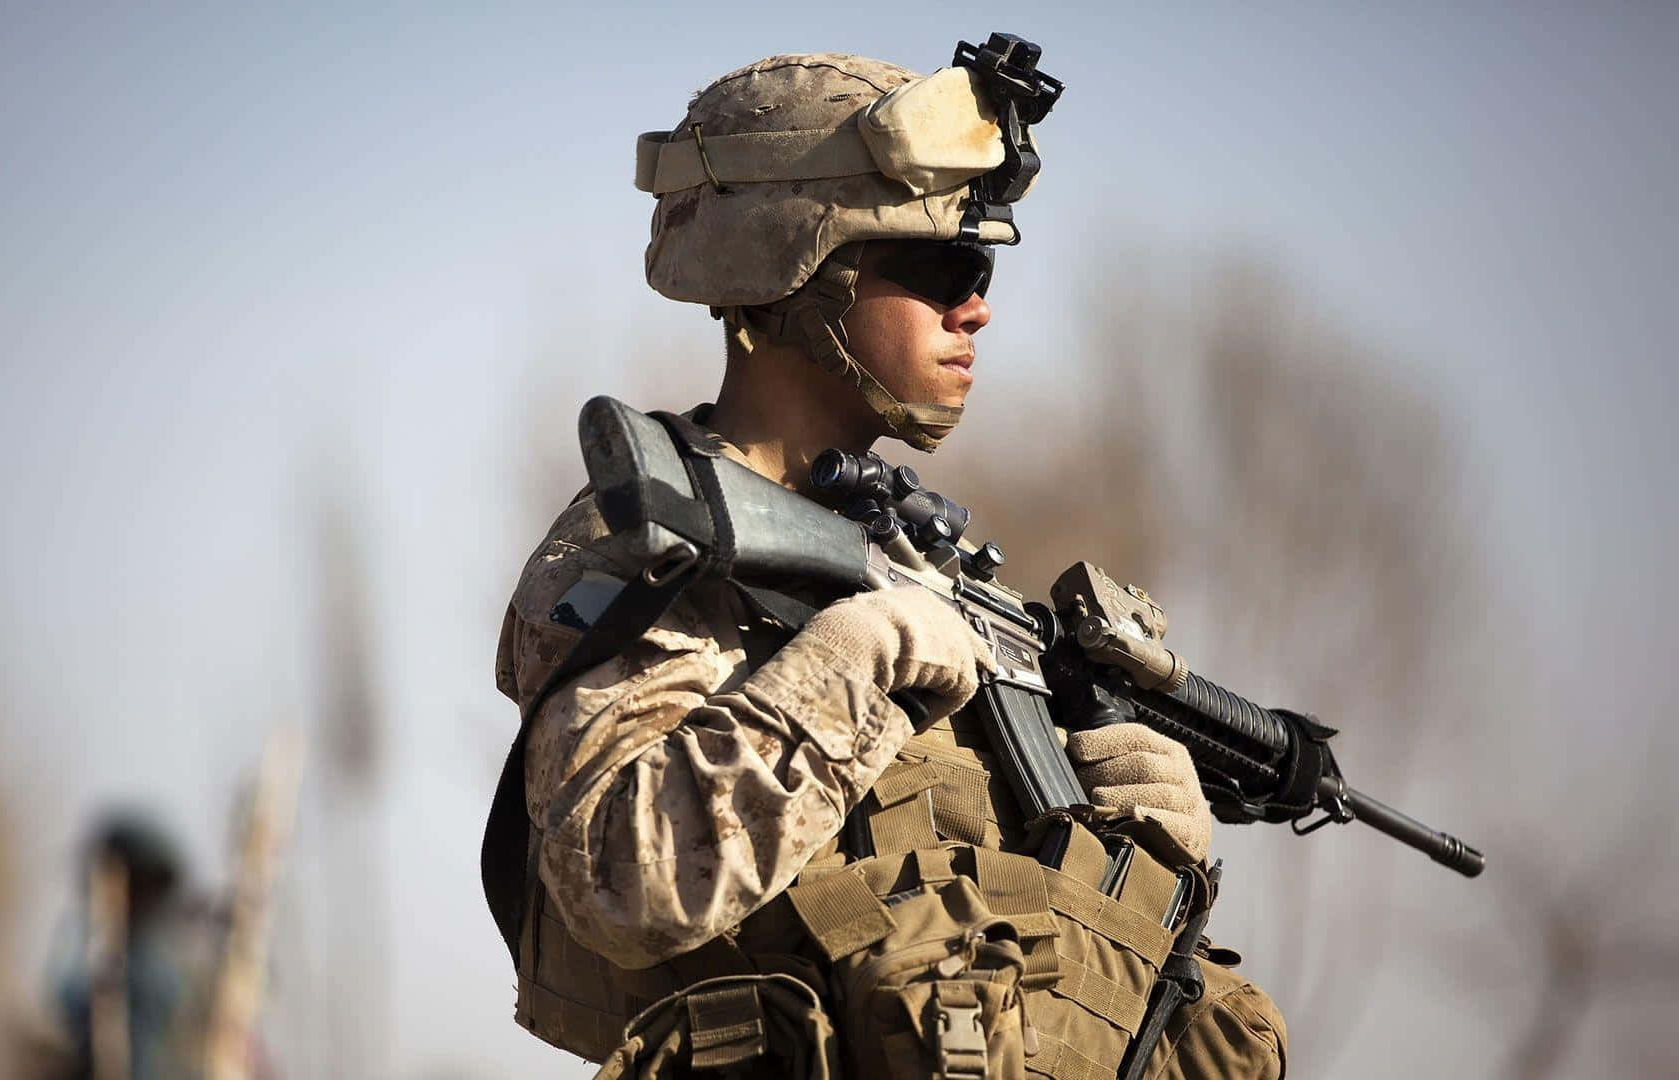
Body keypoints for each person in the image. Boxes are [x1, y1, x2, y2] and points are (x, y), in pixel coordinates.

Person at [488, 42, 1286, 1079]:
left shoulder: (928, 571)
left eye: (983, 272)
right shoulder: (656, 548)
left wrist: (1143, 873)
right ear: (790, 262)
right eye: (941, 267)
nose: (977, 307)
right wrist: (851, 664)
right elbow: (619, 882)